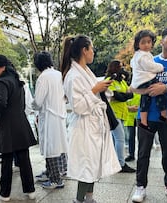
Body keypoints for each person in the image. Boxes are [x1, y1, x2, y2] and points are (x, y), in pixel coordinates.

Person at [130, 24, 167, 203]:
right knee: (142, 154)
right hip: (147, 116)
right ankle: (140, 186)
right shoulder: (147, 59)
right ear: (162, 39)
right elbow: (135, 88)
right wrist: (143, 90)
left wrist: (166, 88)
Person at [60, 35, 121, 203]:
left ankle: (89, 198)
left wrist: (101, 88)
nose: (93, 52)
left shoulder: (86, 71)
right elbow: (78, 106)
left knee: (93, 164)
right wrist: (94, 90)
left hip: (94, 125)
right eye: (91, 48)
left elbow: (94, 94)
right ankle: (79, 200)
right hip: (84, 126)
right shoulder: (73, 75)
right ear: (84, 50)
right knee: (86, 167)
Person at [0, 54, 37, 201]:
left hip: (7, 125)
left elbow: (1, 103)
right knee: (24, 159)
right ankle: (30, 190)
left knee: (7, 160)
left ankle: (5, 193)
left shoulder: (2, 82)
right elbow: (22, 104)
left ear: (2, 67)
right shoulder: (17, 82)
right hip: (20, 123)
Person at [32, 51, 68, 189]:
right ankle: (55, 171)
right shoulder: (59, 74)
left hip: (49, 117)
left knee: (50, 147)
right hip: (59, 115)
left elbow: (38, 101)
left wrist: (32, 106)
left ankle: (55, 179)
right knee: (59, 146)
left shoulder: (43, 77)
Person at [130, 30, 167, 132]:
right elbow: (150, 66)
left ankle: (143, 122)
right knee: (159, 91)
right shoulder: (143, 55)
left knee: (145, 98)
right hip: (146, 79)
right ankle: (164, 115)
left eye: (149, 42)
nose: (146, 45)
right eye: (143, 42)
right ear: (138, 44)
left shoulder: (137, 55)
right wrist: (161, 67)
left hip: (138, 82)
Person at [106, 60, 136, 172]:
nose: (123, 70)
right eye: (120, 67)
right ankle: (120, 164)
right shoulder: (110, 81)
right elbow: (117, 96)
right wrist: (123, 96)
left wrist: (123, 96)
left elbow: (130, 94)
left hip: (122, 113)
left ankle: (115, 162)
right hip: (113, 114)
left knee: (116, 139)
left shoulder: (121, 82)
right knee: (120, 138)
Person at [124, 93, 140, 162]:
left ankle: (141, 155)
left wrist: (138, 108)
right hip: (130, 117)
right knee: (130, 137)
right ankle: (131, 155)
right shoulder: (129, 91)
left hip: (140, 116)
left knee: (141, 138)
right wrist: (130, 108)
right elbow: (123, 103)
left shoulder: (142, 91)